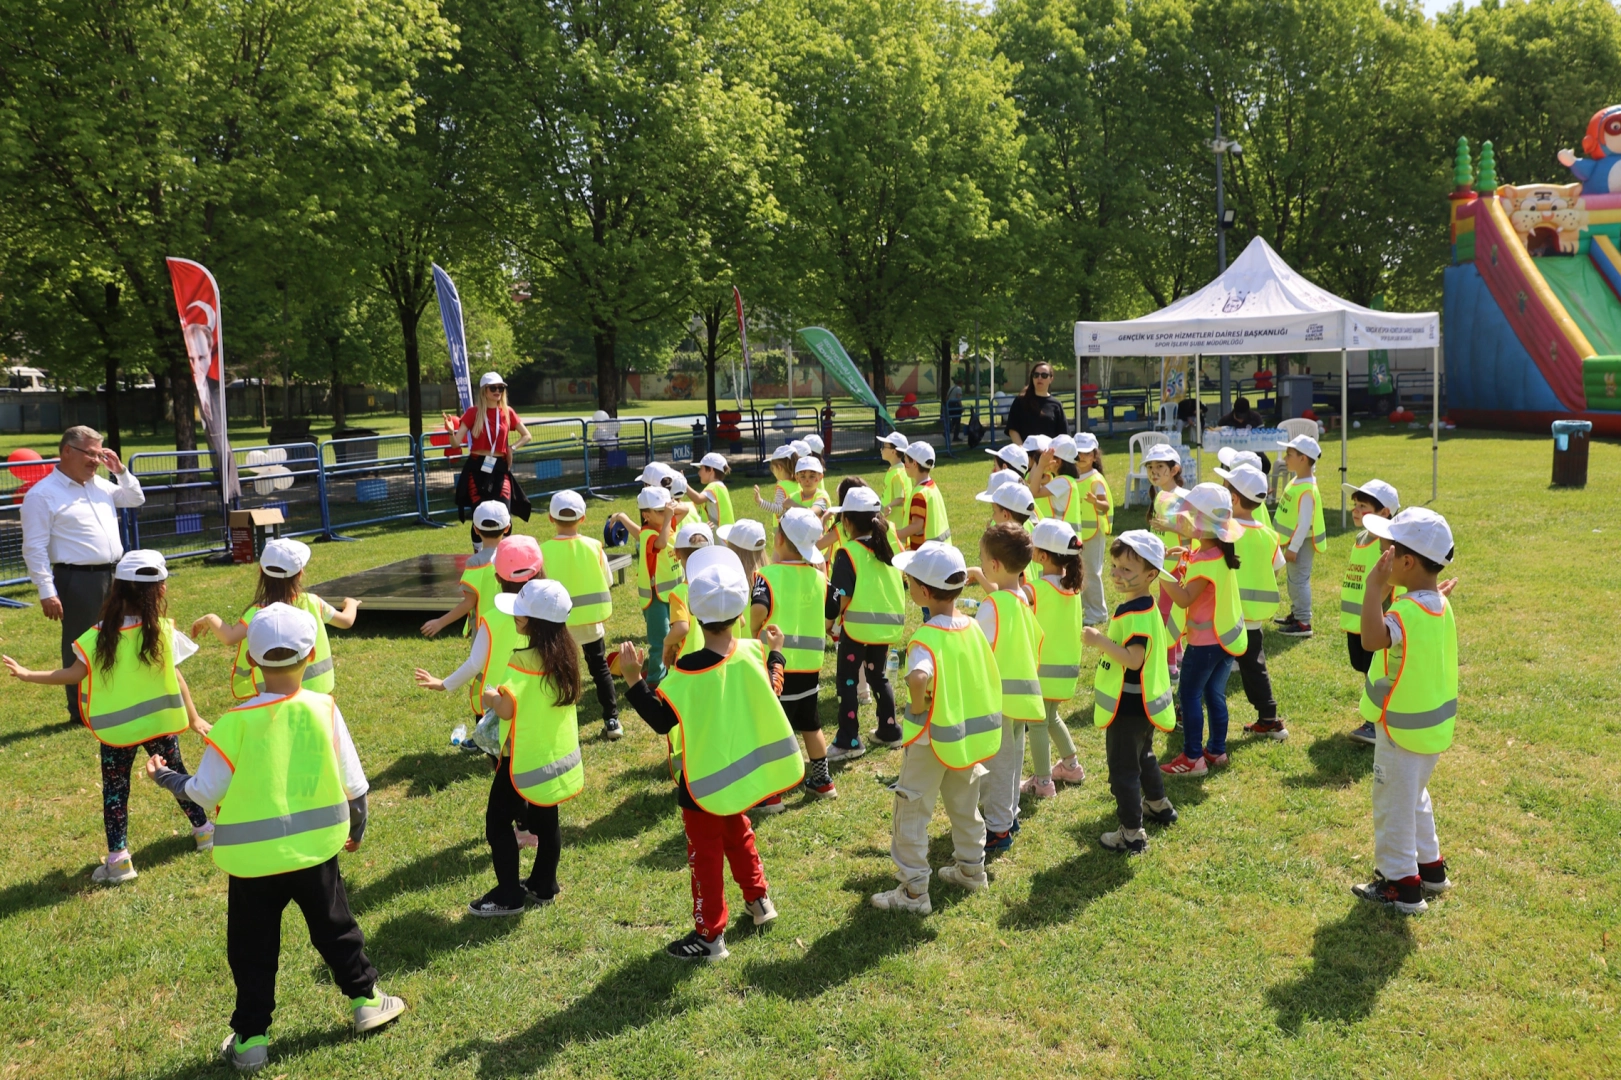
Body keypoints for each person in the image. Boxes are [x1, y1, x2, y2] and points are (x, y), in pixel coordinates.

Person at [143, 603, 404, 1072]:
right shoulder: (324, 709)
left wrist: (166, 778)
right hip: (316, 854)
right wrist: (357, 828)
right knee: (336, 929)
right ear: (310, 656)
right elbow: (356, 786)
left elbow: (204, 791)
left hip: (251, 864)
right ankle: (366, 1002)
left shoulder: (233, 723)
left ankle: (251, 1040)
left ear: (251, 661)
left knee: (252, 950)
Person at [618, 547, 798, 961]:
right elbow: (773, 688)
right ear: (739, 613)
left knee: (705, 859)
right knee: (739, 835)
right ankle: (759, 901)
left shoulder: (685, 673)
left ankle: (710, 937)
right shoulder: (752, 652)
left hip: (701, 784)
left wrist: (632, 680)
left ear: (695, 616)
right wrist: (776, 653)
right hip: (738, 778)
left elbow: (661, 720)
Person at [3, 550, 212, 883]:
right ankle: (204, 831)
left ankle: (119, 861)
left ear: (116, 588)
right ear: (160, 590)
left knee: (115, 792)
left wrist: (29, 675)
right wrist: (195, 717)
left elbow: (72, 675)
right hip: (160, 724)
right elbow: (176, 677)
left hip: (116, 731)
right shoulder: (162, 631)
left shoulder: (98, 636)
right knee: (177, 777)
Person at [871, 542, 1002, 913]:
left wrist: (917, 705)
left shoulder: (926, 638)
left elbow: (918, 677)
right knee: (965, 806)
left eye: (910, 580)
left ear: (924, 592)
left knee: (911, 811)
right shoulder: (972, 627)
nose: (907, 583)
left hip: (929, 741)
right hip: (963, 740)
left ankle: (914, 892)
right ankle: (972, 870)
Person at [1351, 508, 1459, 915]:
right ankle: (1430, 870)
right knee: (1414, 797)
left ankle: (1400, 885)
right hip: (1429, 731)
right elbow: (1420, 620)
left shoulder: (1405, 612)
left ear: (1408, 562)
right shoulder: (1438, 604)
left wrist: (1373, 588)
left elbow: (1371, 638)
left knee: (1393, 805)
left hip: (1399, 731)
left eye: (1389, 549)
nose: (1384, 555)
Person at [19, 425, 146, 725]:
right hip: (77, 579)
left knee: (122, 635)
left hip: (115, 575)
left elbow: (135, 498)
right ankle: (81, 711)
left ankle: (116, 696)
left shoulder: (100, 485)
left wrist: (120, 471)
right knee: (82, 645)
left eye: (99, 454)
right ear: (67, 451)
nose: (96, 461)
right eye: (90, 454)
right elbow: (34, 548)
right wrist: (46, 590)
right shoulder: (42, 495)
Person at [471, 580, 584, 916]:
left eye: (520, 613)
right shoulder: (567, 655)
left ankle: (508, 896)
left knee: (497, 824)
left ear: (535, 623)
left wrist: (491, 697)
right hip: (553, 759)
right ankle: (543, 884)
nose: (515, 618)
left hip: (522, 760)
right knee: (547, 821)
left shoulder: (522, 659)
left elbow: (507, 709)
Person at [1085, 532, 1177, 855]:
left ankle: (1132, 834)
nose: (1116, 574)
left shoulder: (1134, 613)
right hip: (1144, 704)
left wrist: (1099, 641)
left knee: (1123, 769)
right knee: (1143, 754)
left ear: (1151, 575)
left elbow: (1134, 659)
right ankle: (1157, 804)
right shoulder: (1146, 604)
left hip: (1129, 705)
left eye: (1127, 569)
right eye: (1114, 566)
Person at [191, 539, 358, 702]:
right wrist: (351, 603)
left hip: (275, 696)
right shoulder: (313, 602)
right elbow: (346, 621)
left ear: (261, 572)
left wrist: (210, 618)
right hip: (318, 692)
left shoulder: (257, 613)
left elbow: (229, 637)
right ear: (300, 574)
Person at [413, 536, 546, 737]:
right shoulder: (549, 611)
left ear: (498, 578)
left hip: (500, 701)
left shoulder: (491, 619)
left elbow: (475, 664)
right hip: (539, 702)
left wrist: (443, 684)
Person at [1158, 484, 1246, 776]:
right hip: (1224, 641)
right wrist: (1186, 554)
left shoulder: (1206, 560)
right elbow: (1201, 565)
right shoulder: (1217, 552)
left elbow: (1184, 598)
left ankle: (1193, 758)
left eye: (1191, 515)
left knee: (1189, 695)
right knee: (1214, 695)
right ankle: (1217, 751)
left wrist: (1159, 571)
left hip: (1204, 644)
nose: (1185, 519)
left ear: (1203, 523)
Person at [751, 509, 834, 807]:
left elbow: (759, 609)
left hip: (776, 665)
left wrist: (755, 630)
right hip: (810, 667)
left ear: (779, 539)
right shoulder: (820, 578)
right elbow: (832, 609)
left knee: (772, 727)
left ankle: (772, 792)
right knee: (811, 724)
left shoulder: (766, 576)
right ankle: (823, 781)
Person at [970, 524, 1044, 855]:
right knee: (1012, 762)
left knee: (998, 767)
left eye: (982, 558)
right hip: (1022, 698)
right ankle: (1009, 814)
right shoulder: (1021, 599)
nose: (981, 563)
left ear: (995, 564)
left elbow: (978, 650)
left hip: (997, 701)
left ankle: (998, 828)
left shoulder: (992, 605)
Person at [822, 486, 905, 758]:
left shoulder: (848, 553)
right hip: (884, 628)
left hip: (857, 630)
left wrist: (829, 622)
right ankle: (889, 730)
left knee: (847, 681)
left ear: (846, 521)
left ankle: (848, 740)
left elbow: (841, 596)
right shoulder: (887, 547)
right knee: (877, 676)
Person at [540, 490, 621, 740]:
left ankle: (559, 725)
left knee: (558, 673)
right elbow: (607, 580)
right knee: (600, 669)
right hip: (590, 622)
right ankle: (612, 720)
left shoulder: (543, 551)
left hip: (558, 626)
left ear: (550, 518)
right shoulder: (594, 547)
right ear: (583, 518)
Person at [1218, 464, 1288, 741]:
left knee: (1204, 668)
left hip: (1224, 615)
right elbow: (1277, 568)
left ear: (1234, 499)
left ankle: (1186, 713)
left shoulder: (1225, 531)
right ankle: (1269, 719)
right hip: (1253, 619)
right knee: (1254, 669)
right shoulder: (1269, 535)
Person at [1026, 520, 1088, 795]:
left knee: (1037, 722)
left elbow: (1007, 600)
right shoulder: (1072, 587)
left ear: (1041, 556)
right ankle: (1071, 766)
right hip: (1065, 670)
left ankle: (1042, 782)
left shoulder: (1036, 589)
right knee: (1050, 717)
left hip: (1042, 670)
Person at [1340, 480, 1401, 746]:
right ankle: (1377, 719)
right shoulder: (1361, 538)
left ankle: (1376, 723)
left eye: (1363, 506)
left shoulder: (1389, 543)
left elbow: (1388, 582)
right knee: (1365, 668)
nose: (1355, 510)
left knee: (1377, 673)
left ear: (1385, 512)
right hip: (1358, 622)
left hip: (1376, 622)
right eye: (1355, 505)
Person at [609, 486, 687, 688]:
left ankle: (669, 673)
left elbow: (686, 509)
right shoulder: (650, 534)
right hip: (655, 599)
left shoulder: (666, 523)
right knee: (660, 640)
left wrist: (671, 507)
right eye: (659, 511)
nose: (665, 513)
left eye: (666, 509)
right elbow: (661, 543)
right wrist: (668, 516)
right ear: (646, 515)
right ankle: (654, 682)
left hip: (672, 596)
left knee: (675, 638)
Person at [452, 372, 534, 544]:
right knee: (479, 514)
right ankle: (479, 553)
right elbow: (455, 443)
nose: (498, 391)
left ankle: (503, 553)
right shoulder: (473, 412)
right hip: (477, 467)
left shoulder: (507, 412)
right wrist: (449, 432)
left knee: (504, 514)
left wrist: (512, 447)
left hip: (500, 467)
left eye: (501, 388)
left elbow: (527, 435)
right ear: (484, 390)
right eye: (493, 388)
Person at [419, 500, 511, 640]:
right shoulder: (513, 558)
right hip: (510, 628)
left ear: (476, 529)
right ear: (507, 528)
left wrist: (440, 622)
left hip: (484, 632)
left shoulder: (475, 563)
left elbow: (469, 602)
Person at [1046, 433, 1112, 626]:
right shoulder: (1069, 477)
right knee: (1077, 571)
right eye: (1078, 453)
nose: (1082, 457)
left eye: (1087, 453)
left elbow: (1106, 506)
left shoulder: (1095, 479)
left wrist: (1096, 501)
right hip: (1077, 534)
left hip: (1093, 534)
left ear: (1094, 456)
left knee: (1092, 572)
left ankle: (1098, 612)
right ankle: (1084, 608)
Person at [1144, 443, 1190, 677]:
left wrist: (1171, 526)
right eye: (1150, 467)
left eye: (1159, 466)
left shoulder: (1183, 497)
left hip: (1179, 566)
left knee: (1167, 613)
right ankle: (1178, 654)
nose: (1153, 471)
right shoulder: (1160, 495)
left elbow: (1195, 530)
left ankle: (1169, 665)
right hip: (1165, 565)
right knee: (1169, 610)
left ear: (1174, 470)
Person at [1273, 433, 1326, 637]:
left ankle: (1303, 622)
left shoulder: (1306, 488)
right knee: (1293, 580)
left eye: (1289, 455)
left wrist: (1294, 548)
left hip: (1301, 543)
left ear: (1303, 459)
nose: (1285, 459)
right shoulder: (1298, 480)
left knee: (1299, 581)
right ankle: (1297, 615)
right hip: (1295, 542)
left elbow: (1304, 523)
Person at [663, 520, 720, 662]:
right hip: (720, 658)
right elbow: (741, 622)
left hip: (690, 663)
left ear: (677, 553)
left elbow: (681, 629)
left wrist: (667, 642)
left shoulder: (680, 592)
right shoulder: (721, 584)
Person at [895, 442, 949, 552]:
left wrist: (895, 535)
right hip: (939, 551)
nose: (904, 464)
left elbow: (917, 525)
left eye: (905, 460)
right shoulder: (931, 486)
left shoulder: (919, 494)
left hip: (925, 554)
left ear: (914, 463)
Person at [1003, 364, 1067, 445]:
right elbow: (1012, 429)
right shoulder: (1020, 401)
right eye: (1036, 375)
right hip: (1025, 452)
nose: (1039, 378)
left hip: (1050, 452)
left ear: (1051, 379)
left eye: (1044, 375)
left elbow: (1063, 436)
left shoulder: (1056, 405)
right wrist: (1021, 449)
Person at [687, 452, 736, 528]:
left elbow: (698, 499)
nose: (699, 473)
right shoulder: (719, 486)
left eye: (701, 468)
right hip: (725, 533)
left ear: (710, 470)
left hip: (720, 535)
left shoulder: (714, 486)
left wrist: (683, 484)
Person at [753, 444, 798, 520]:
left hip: (785, 525)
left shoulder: (782, 487)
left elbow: (779, 509)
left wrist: (760, 501)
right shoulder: (800, 482)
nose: (773, 472)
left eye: (772, 468)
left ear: (779, 468)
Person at [877, 432, 912, 516]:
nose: (881, 449)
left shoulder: (897, 474)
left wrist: (889, 506)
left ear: (893, 452)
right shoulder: (895, 470)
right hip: (891, 520)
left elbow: (900, 497)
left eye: (884, 447)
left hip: (896, 521)